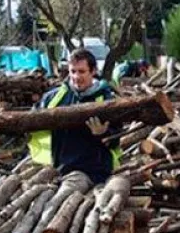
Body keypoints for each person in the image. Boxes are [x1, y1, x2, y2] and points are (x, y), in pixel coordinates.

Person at [28, 48, 122, 184]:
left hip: (93, 174)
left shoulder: (107, 101)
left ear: (93, 71)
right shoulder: (54, 98)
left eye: (82, 71)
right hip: (59, 170)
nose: (76, 77)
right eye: (73, 71)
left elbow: (117, 140)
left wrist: (103, 133)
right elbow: (30, 121)